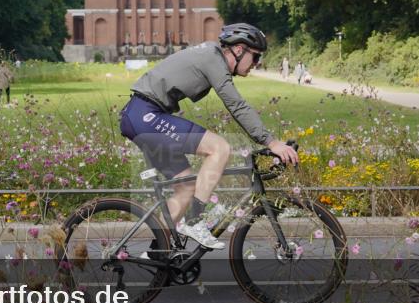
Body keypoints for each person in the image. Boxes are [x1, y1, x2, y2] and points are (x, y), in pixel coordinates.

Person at [119, 23, 299, 249]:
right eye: (255, 57)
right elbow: (236, 105)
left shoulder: (211, 55)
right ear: (239, 50)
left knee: (186, 188)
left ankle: (157, 253)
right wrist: (271, 142)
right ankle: (195, 222)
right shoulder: (213, 58)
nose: (256, 63)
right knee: (219, 148)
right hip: (145, 115)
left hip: (141, 116)